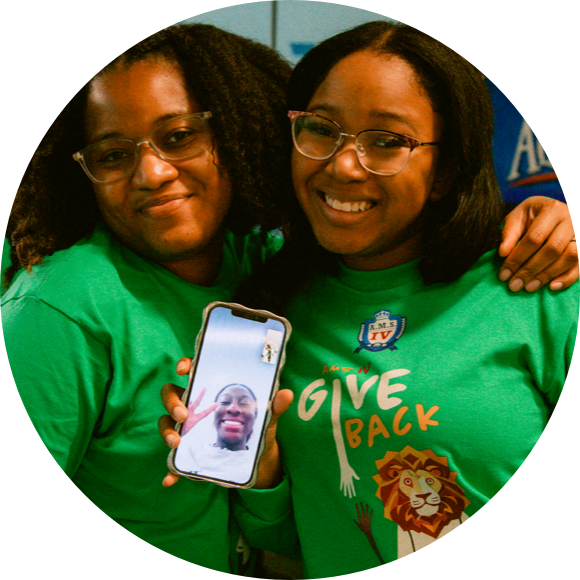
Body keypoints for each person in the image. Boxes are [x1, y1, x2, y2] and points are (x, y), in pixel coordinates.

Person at [2, 18, 577, 578]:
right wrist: (266, 474)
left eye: (387, 140)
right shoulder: (262, 301)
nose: (344, 164)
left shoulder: (531, 285)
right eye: (321, 129)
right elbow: (297, 534)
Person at [1, 23, 292, 576]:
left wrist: (264, 468)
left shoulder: (261, 262)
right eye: (112, 156)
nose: (152, 173)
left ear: (232, 131)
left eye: (179, 137)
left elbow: (268, 531)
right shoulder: (60, 308)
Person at [176, 384, 259, 482]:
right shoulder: (187, 455)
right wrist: (178, 432)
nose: (233, 408)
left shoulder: (257, 471)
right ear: (214, 411)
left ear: (255, 415)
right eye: (225, 402)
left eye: (245, 404)